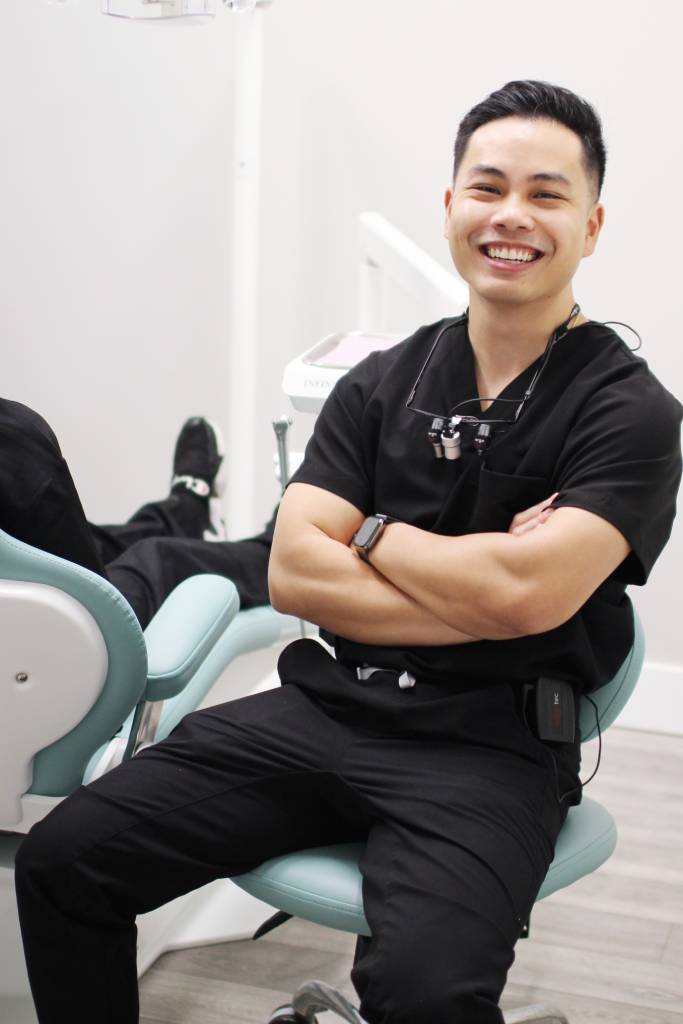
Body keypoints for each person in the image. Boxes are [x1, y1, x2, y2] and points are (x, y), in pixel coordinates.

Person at [15, 80, 682, 1024]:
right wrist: (476, 578)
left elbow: (529, 601)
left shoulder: (630, 411)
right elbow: (294, 575)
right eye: (486, 186)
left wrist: (367, 535)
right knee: (59, 863)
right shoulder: (381, 382)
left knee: (424, 994)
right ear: (451, 204)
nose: (511, 215)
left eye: (545, 193)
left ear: (592, 221)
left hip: (491, 747)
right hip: (327, 708)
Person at [0, 407, 273, 627]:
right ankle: (273, 553)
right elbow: (89, 590)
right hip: (67, 639)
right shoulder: (15, 438)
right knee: (157, 558)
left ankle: (184, 513)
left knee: (94, 540)